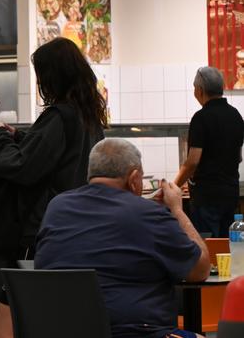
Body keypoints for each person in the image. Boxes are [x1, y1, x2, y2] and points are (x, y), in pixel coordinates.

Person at [0, 37, 106, 338]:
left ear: (52, 75)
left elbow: (23, 168)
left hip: (43, 230)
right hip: (77, 226)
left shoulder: (59, 115)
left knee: (15, 316)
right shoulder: (89, 115)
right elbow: (50, 157)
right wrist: (20, 138)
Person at [35, 138, 211, 338]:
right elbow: (200, 270)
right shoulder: (148, 214)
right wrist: (177, 210)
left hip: (61, 331)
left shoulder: (57, 207)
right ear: (134, 177)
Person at [175, 66, 244, 237]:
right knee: (227, 246)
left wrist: (174, 186)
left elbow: (193, 161)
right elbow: (239, 157)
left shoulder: (201, 118)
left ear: (200, 90)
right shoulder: (236, 115)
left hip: (207, 197)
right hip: (230, 194)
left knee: (207, 246)